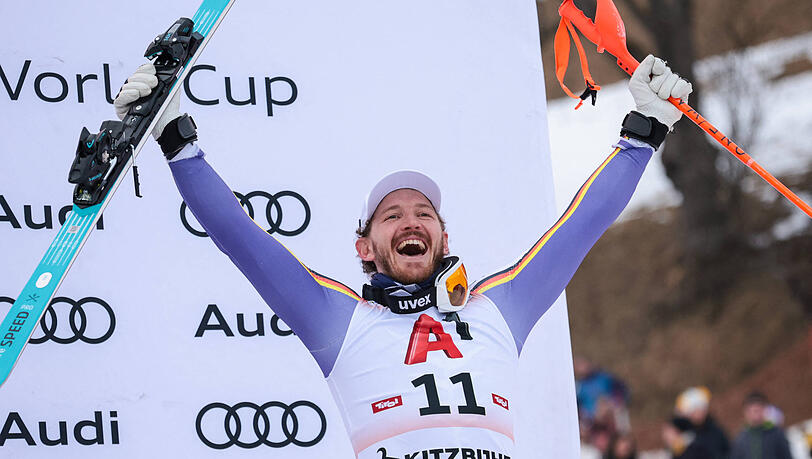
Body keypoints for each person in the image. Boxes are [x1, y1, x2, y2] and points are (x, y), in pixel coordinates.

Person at [114, 55, 692, 457]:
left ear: (444, 238)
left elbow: (580, 227)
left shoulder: (497, 309)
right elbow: (241, 236)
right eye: (392, 216)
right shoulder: (338, 319)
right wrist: (175, 140)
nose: (411, 221)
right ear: (365, 248)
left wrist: (642, 134)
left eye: (424, 214)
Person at [730, 392, 793, 459]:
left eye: (758, 410)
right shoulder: (740, 439)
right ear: (746, 413)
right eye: (752, 411)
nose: (755, 415)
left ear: (765, 410)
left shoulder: (776, 433)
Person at [675, 386, 730, 459]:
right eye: (694, 411)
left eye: (700, 410)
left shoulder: (716, 431)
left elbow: (727, 452)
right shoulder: (684, 435)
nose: (698, 414)